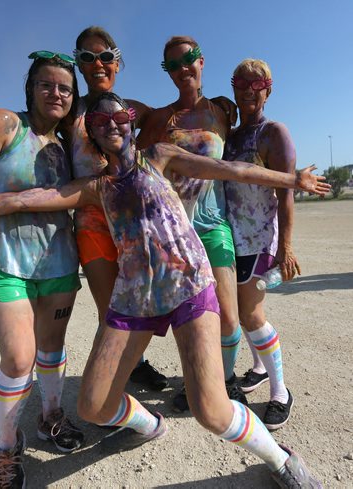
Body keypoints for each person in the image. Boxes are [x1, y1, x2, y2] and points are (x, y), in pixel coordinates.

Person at [0, 93, 327, 488]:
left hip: (188, 285)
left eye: (120, 116)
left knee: (211, 410)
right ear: (94, 135)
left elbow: (232, 169)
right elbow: (16, 201)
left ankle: (280, 459)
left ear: (131, 122)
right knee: (94, 406)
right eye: (100, 121)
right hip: (135, 297)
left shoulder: (159, 156)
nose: (112, 124)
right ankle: (149, 425)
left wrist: (292, 181)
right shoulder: (95, 189)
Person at [0, 26, 169, 392]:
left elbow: (167, 118)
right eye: (86, 57)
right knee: (110, 306)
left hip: (130, 219)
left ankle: (135, 362)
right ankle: (115, 382)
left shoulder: (133, 110)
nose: (97, 63)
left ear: (118, 61)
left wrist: (217, 109)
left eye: (105, 56)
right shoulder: (70, 111)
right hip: (91, 219)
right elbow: (29, 124)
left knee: (140, 299)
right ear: (78, 66)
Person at [0, 51, 84, 488]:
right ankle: (6, 448)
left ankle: (51, 416)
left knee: (50, 349)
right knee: (18, 357)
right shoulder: (5, 123)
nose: (56, 93)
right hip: (2, 261)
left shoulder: (68, 143)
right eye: (47, 84)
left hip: (59, 261)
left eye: (65, 87)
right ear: (31, 89)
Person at [137, 36, 244, 410]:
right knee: (188, 315)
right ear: (167, 73)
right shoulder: (157, 118)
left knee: (229, 316)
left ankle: (226, 380)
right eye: (173, 65)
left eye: (189, 60)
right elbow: (131, 156)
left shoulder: (223, 112)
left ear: (202, 61)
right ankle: (195, 380)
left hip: (213, 225)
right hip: (174, 233)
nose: (183, 69)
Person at [223, 59, 300, 430]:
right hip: (231, 239)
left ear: (268, 90)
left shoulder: (274, 134)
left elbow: (287, 195)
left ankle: (281, 392)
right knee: (239, 311)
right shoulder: (231, 135)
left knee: (251, 314)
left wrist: (285, 248)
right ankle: (257, 367)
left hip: (259, 240)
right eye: (241, 85)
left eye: (256, 86)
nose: (248, 93)